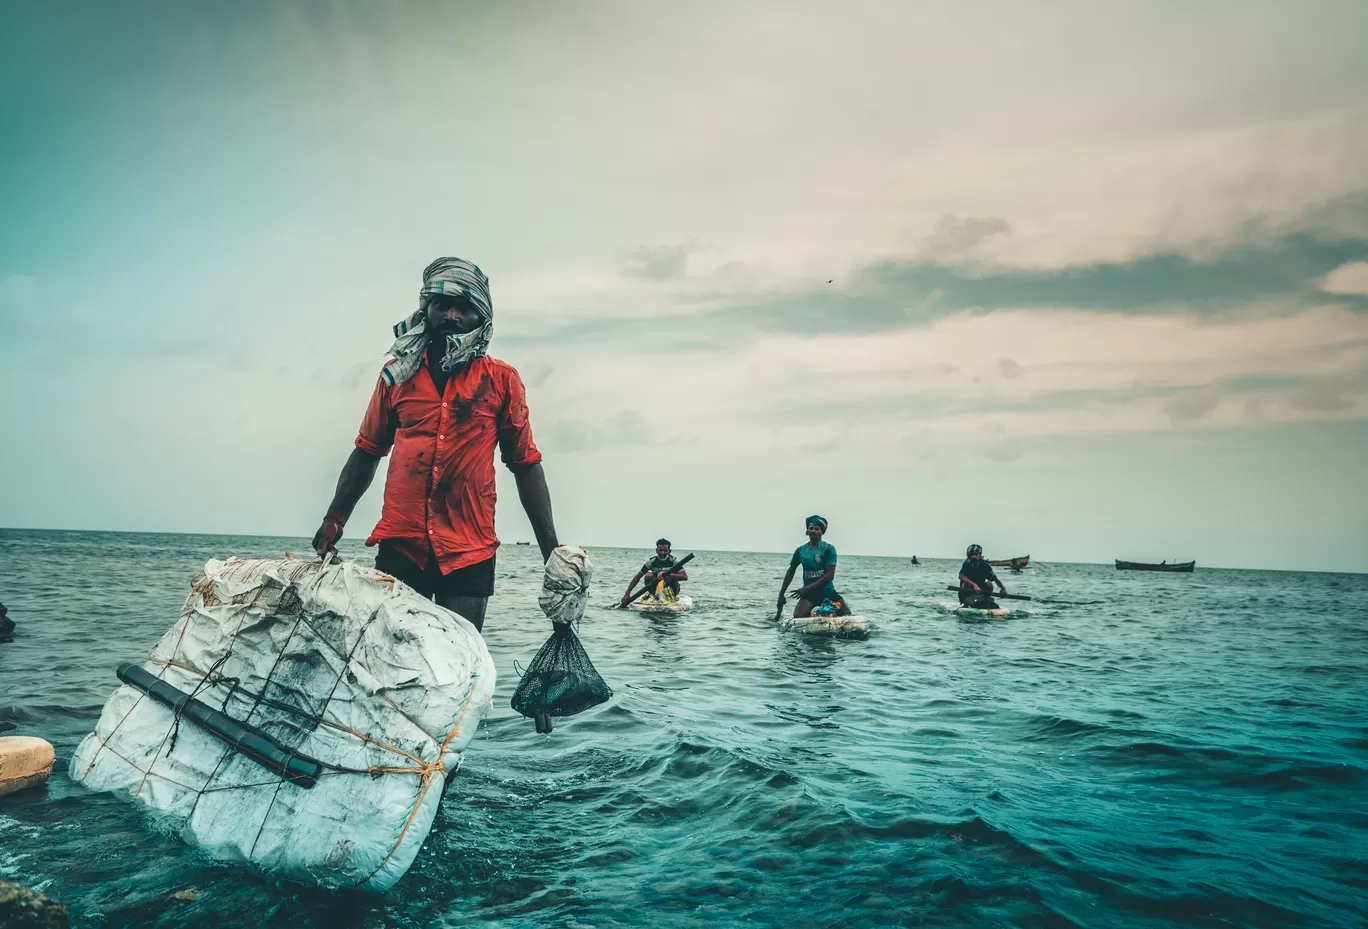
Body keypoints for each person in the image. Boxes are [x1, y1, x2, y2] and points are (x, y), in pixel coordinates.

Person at [311, 257, 559, 633]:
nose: (452, 315)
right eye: (442, 305)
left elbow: (525, 464)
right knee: (390, 666)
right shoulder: (397, 376)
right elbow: (367, 451)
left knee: (459, 668)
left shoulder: (501, 381)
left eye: (464, 308)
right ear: (426, 309)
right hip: (402, 545)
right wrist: (334, 519)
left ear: (482, 318)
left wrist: (551, 553)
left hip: (469, 549)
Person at [777, 515, 852, 617]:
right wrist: (781, 594)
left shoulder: (828, 549)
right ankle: (815, 613)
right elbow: (791, 571)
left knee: (847, 615)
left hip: (827, 592)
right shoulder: (801, 551)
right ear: (807, 531)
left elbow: (829, 575)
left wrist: (806, 588)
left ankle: (824, 611)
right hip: (809, 595)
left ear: (822, 532)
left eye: (817, 529)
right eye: (811, 528)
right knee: (798, 616)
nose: (813, 531)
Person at [620, 538, 689, 605]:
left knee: (673, 578)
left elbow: (685, 577)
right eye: (660, 550)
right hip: (656, 589)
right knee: (648, 575)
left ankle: (670, 598)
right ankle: (654, 596)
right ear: (656, 550)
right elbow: (638, 576)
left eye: (665, 550)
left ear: (669, 551)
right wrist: (627, 594)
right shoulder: (651, 562)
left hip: (671, 589)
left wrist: (668, 575)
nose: (662, 553)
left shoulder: (674, 562)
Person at [958, 543, 1007, 608]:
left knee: (989, 583)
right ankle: (966, 603)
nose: (974, 557)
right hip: (968, 589)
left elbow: (994, 578)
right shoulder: (967, 563)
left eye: (976, 554)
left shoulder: (985, 565)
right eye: (972, 555)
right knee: (966, 584)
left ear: (980, 555)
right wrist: (974, 584)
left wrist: (1002, 588)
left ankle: (986, 599)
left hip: (981, 589)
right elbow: (961, 575)